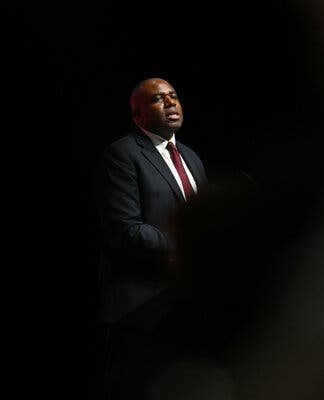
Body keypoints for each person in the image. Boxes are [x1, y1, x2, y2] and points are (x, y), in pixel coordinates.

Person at [94, 77, 208, 399]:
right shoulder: (122, 155)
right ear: (138, 115)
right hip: (140, 312)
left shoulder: (192, 158)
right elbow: (125, 230)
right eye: (159, 99)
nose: (171, 103)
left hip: (185, 310)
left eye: (174, 96)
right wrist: (187, 246)